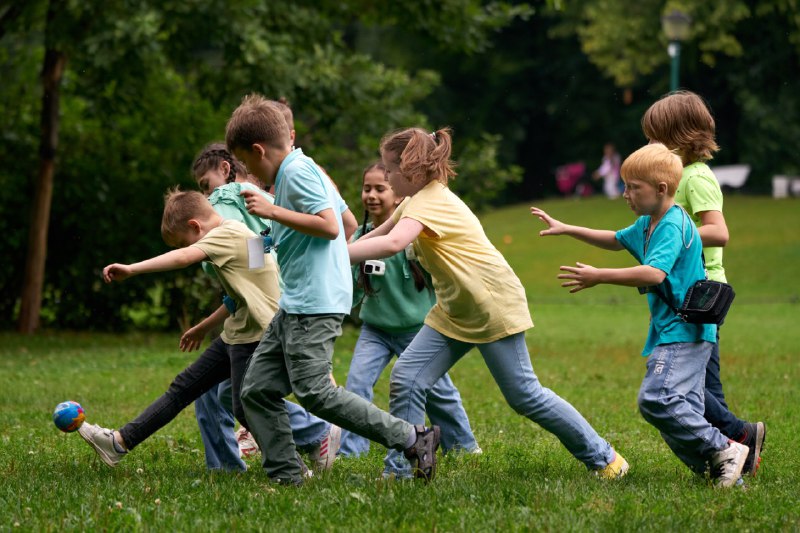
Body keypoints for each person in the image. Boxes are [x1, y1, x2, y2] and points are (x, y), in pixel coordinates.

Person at [348, 127, 628, 480]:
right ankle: (402, 471)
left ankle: (607, 460)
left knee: (525, 395)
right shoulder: (412, 201)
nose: (384, 176)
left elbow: (393, 245)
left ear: (410, 169)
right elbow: (381, 234)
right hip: (456, 309)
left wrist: (337, 258)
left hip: (491, 304)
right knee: (407, 378)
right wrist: (338, 251)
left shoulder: (428, 203)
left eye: (388, 169)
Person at [225, 94, 441, 485]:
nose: (250, 172)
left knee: (315, 392)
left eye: (247, 162)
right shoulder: (294, 172)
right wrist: (268, 232)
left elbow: (328, 225)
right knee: (255, 391)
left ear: (258, 151)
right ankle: (288, 475)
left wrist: (271, 209)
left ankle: (412, 437)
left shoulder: (298, 171)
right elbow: (318, 223)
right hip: (296, 301)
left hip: (315, 301)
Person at [530, 143, 749, 488]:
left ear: (661, 189)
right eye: (625, 186)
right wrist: (567, 227)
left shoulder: (673, 224)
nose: (625, 194)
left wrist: (599, 276)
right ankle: (723, 473)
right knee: (682, 411)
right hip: (673, 330)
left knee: (657, 399)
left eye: (633, 187)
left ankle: (725, 448)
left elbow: (654, 274)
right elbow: (615, 239)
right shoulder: (650, 222)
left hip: (685, 331)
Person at [77, 189, 336, 474]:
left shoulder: (225, 234)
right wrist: (203, 327)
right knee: (184, 387)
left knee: (247, 407)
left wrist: (132, 269)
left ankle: (301, 452)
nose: (183, 248)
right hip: (238, 333)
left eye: (182, 242)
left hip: (257, 337)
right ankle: (119, 443)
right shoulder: (242, 233)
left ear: (195, 227)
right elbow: (244, 292)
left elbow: (184, 258)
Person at [190, 143, 338, 471]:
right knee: (217, 391)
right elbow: (256, 258)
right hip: (258, 311)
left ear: (226, 171)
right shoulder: (250, 202)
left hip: (264, 316)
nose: (205, 195)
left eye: (206, 184)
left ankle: (313, 434)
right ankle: (226, 465)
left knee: (243, 395)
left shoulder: (227, 197)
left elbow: (255, 259)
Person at [641, 90, 765, 476]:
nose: (649, 146)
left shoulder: (696, 178)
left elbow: (718, 231)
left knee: (685, 381)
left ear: (679, 139)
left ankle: (739, 438)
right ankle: (732, 449)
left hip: (701, 295)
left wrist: (672, 234)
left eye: (655, 139)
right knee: (696, 381)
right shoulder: (680, 179)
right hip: (683, 293)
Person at [339, 162, 480, 477]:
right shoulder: (361, 238)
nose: (372, 195)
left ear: (397, 195)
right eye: (367, 188)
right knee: (357, 385)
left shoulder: (410, 235)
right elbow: (345, 283)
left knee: (439, 393)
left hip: (417, 329)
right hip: (375, 330)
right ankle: (351, 453)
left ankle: (464, 447)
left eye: (380, 188)